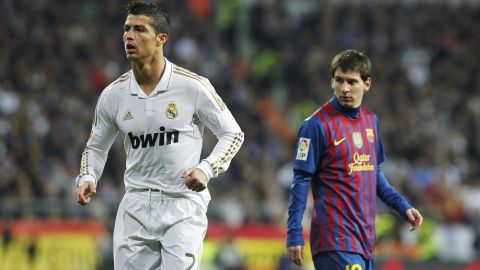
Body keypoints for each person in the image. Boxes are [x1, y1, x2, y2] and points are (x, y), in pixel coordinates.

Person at [74, 2, 244, 269]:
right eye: (126, 29)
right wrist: (87, 176)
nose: (129, 36)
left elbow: (233, 134)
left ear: (161, 39)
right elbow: (95, 148)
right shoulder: (112, 95)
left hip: (182, 205)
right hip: (136, 206)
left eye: (139, 29)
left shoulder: (192, 87)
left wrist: (206, 169)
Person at [286, 50, 423, 269]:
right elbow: (301, 182)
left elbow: (373, 174)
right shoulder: (315, 125)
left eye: (352, 81)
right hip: (335, 240)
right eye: (339, 80)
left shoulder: (371, 121)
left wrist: (402, 206)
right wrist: (294, 233)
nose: (345, 88)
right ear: (332, 81)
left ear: (367, 84)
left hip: (365, 240)